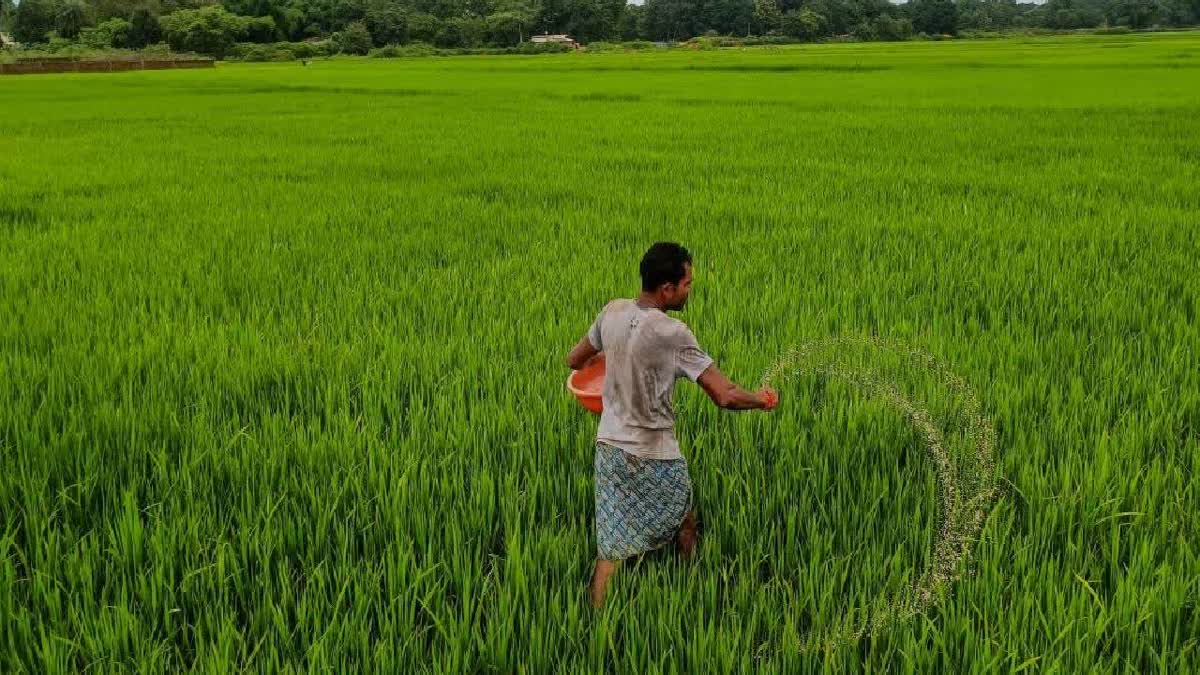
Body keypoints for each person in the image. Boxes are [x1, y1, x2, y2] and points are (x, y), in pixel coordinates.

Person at [565, 242, 779, 609]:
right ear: (667, 288)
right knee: (684, 516)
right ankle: (691, 579)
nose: (689, 290)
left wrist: (616, 354)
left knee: (611, 546)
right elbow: (724, 394)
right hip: (654, 451)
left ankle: (594, 622)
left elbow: (575, 359)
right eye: (687, 284)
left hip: (610, 449)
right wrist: (761, 400)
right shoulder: (673, 333)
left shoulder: (612, 312)